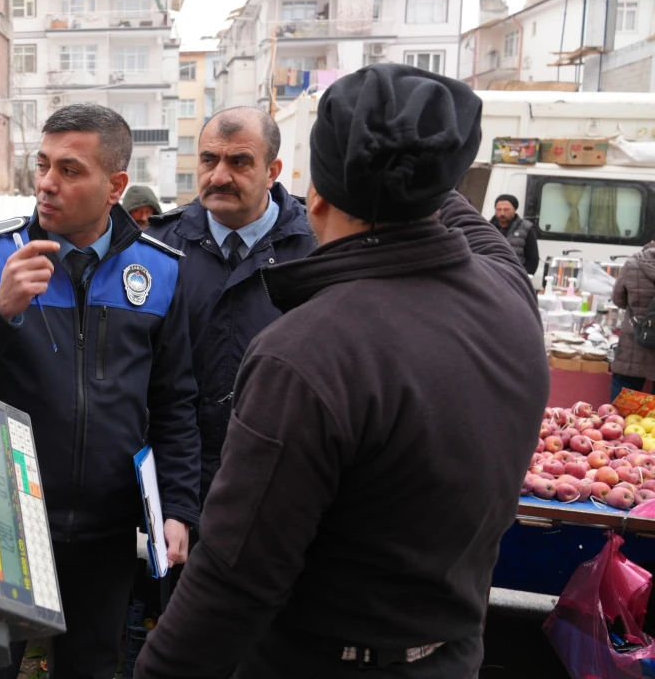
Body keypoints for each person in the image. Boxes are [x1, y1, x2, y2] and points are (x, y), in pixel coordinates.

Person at [135, 65, 549, 678]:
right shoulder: (508, 295)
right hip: (453, 657)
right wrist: (415, 156)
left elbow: (235, 579)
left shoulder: (306, 353)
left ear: (314, 197)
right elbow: (461, 219)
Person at [0, 104, 201, 679]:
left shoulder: (159, 271)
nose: (47, 183)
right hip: (0, 527)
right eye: (43, 164)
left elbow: (174, 402)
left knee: (92, 668)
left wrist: (176, 508)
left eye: (70, 170)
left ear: (115, 186)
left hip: (104, 531)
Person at [144, 106, 315, 608]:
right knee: (179, 620)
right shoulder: (159, 248)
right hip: (181, 495)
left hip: (281, 494)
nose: (219, 176)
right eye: (208, 160)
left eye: (239, 161)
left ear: (273, 170)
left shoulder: (315, 251)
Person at [611, 242, 655, 398]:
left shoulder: (632, 264)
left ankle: (621, 413)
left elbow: (617, 298)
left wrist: (636, 311)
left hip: (634, 338)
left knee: (625, 391)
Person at [491, 193, 539, 276]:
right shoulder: (486, 227)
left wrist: (525, 277)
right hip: (490, 275)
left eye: (506, 209)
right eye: (498, 209)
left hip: (515, 276)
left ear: (514, 209)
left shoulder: (526, 228)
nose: (502, 213)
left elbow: (533, 258)